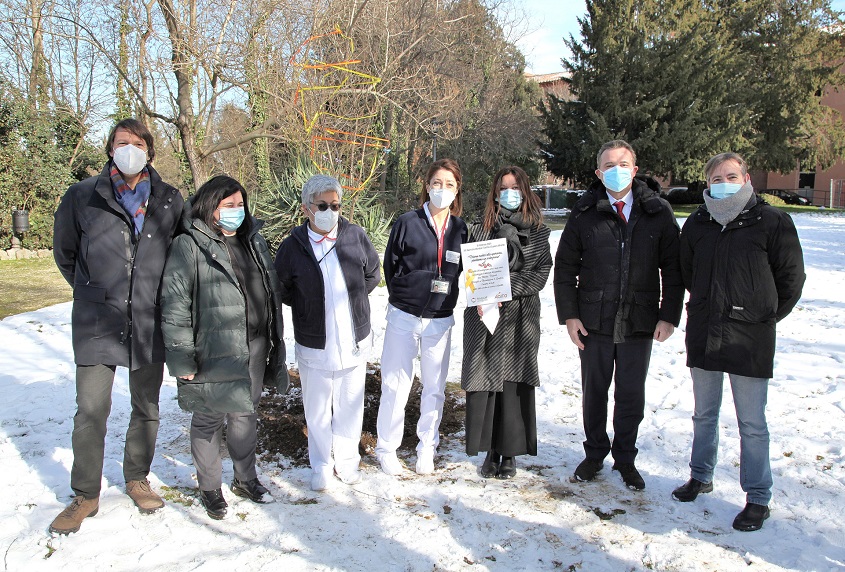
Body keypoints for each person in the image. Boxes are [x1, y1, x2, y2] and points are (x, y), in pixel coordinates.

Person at [50, 118, 184, 535]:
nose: (131, 148)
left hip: (149, 318)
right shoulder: (82, 196)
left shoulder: (169, 199)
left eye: (139, 142)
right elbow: (65, 252)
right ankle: (85, 493)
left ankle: (136, 477)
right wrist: (93, 289)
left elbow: (178, 255)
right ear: (110, 148)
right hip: (96, 319)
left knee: (146, 406)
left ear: (150, 151)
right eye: (122, 142)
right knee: (91, 409)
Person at [671, 152, 804, 532]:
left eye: (731, 175)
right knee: (703, 414)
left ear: (746, 178)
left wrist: (764, 316)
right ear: (707, 183)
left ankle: (758, 496)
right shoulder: (697, 223)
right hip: (705, 331)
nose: (723, 182)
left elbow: (791, 279)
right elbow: (687, 272)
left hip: (750, 336)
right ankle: (701, 475)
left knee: (751, 422)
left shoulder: (772, 221)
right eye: (716, 177)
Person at [553, 139, 683, 491]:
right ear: (598, 172)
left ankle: (625, 458)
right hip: (593, 321)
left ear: (635, 169)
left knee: (630, 395)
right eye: (609, 166)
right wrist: (570, 315)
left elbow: (673, 268)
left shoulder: (657, 213)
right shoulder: (585, 213)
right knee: (594, 392)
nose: (617, 170)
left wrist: (668, 315)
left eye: (623, 164)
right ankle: (595, 452)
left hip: (640, 321)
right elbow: (565, 267)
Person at [160, 175, 289, 520]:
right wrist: (182, 357)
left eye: (240, 205)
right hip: (213, 349)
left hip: (255, 344)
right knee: (208, 418)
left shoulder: (252, 240)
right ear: (210, 206)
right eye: (228, 205)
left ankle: (245, 479)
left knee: (245, 413)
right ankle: (209, 487)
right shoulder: (188, 245)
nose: (237, 211)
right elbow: (174, 306)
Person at [274, 175, 381, 492]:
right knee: (317, 409)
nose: (330, 211)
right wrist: (308, 307)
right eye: (323, 206)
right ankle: (321, 464)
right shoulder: (293, 247)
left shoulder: (355, 236)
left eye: (335, 205)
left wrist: (354, 304)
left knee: (350, 404)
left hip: (353, 339)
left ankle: (347, 462)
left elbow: (372, 274)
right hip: (315, 342)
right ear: (307, 208)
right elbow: (282, 288)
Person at [376, 158, 468, 476]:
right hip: (404, 316)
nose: (442, 190)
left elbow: (465, 272)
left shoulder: (460, 228)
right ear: (427, 186)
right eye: (437, 183)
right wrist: (416, 287)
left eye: (449, 185)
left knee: (434, 388)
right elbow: (391, 267)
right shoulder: (407, 222)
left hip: (440, 320)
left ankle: (426, 448)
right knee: (395, 385)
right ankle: (387, 449)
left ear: (457, 191)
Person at [461, 166, 552, 479]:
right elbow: (473, 269)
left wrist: (503, 285)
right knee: (486, 382)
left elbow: (539, 274)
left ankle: (510, 453)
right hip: (485, 315)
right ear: (495, 192)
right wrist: (487, 288)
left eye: (515, 187)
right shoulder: (479, 228)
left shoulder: (539, 231)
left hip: (521, 320)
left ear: (525, 191)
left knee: (513, 385)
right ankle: (490, 450)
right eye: (503, 188)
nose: (509, 193)